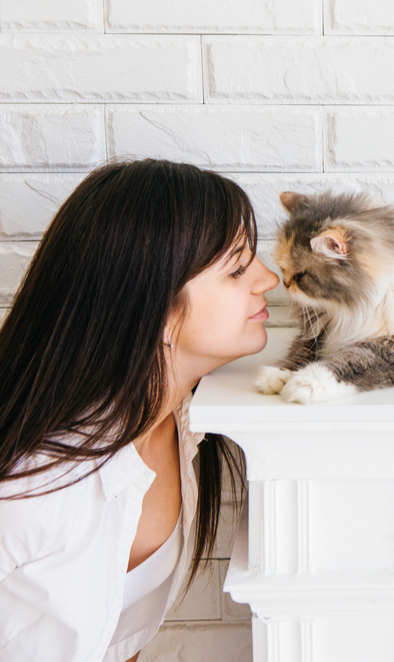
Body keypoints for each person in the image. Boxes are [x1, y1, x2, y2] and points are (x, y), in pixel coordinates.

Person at [0, 159, 279, 661]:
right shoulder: (31, 482)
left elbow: (111, 635)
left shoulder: (180, 427)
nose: (269, 278)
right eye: (237, 267)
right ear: (160, 311)